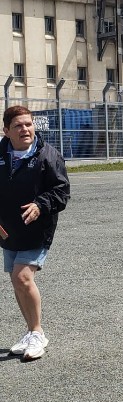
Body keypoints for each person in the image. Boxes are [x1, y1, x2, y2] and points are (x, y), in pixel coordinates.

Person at [1, 105, 70, 361]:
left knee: (22, 277)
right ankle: (31, 331)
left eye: (28, 124)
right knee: (17, 281)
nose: (25, 129)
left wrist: (40, 205)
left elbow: (62, 191)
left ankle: (38, 333)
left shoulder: (48, 155)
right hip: (8, 230)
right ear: (6, 131)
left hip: (37, 228)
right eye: (18, 126)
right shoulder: (1, 153)